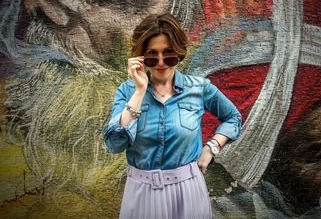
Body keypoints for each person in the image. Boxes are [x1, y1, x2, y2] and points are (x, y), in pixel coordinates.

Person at [103, 12, 242, 219]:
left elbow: (233, 118)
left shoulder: (199, 88)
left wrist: (211, 149)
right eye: (152, 54)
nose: (161, 62)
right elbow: (115, 144)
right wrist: (140, 92)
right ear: (141, 57)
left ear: (179, 52)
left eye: (168, 53)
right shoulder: (127, 92)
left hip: (188, 191)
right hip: (141, 193)